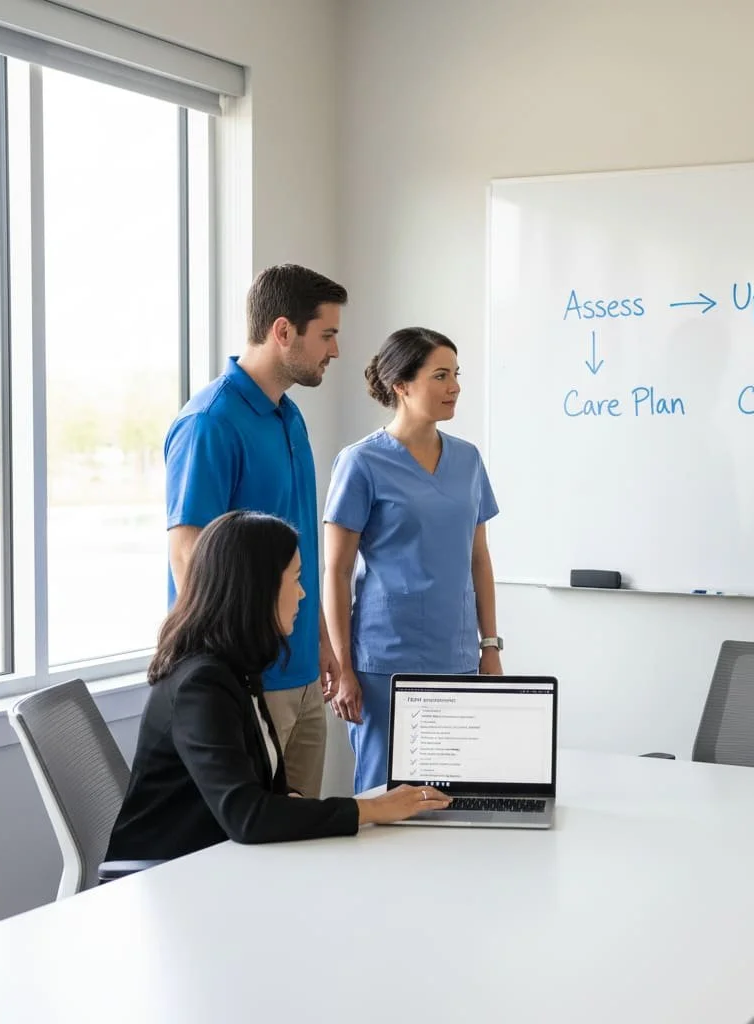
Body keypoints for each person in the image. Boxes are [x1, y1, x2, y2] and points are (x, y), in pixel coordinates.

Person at [104, 511, 450, 865]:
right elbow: (247, 816)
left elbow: (264, 791)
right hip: (166, 876)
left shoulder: (237, 666)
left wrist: (298, 804)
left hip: (218, 861)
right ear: (258, 587)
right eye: (296, 579)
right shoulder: (200, 684)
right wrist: (371, 809)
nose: (302, 594)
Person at [164, 264, 345, 798]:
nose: (334, 351)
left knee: (304, 838)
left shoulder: (288, 416)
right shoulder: (210, 422)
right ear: (283, 331)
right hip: (250, 679)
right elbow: (189, 556)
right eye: (327, 335)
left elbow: (300, 545)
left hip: (305, 671)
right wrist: (238, 675)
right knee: (247, 853)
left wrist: (323, 641)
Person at [322, 327, 503, 792]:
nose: (455, 387)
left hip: (458, 655)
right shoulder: (360, 463)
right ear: (401, 384)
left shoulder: (468, 460)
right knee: (386, 800)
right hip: (386, 662)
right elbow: (336, 571)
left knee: (455, 795)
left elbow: (478, 558)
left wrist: (490, 646)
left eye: (456, 374)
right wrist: (343, 668)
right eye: (440, 375)